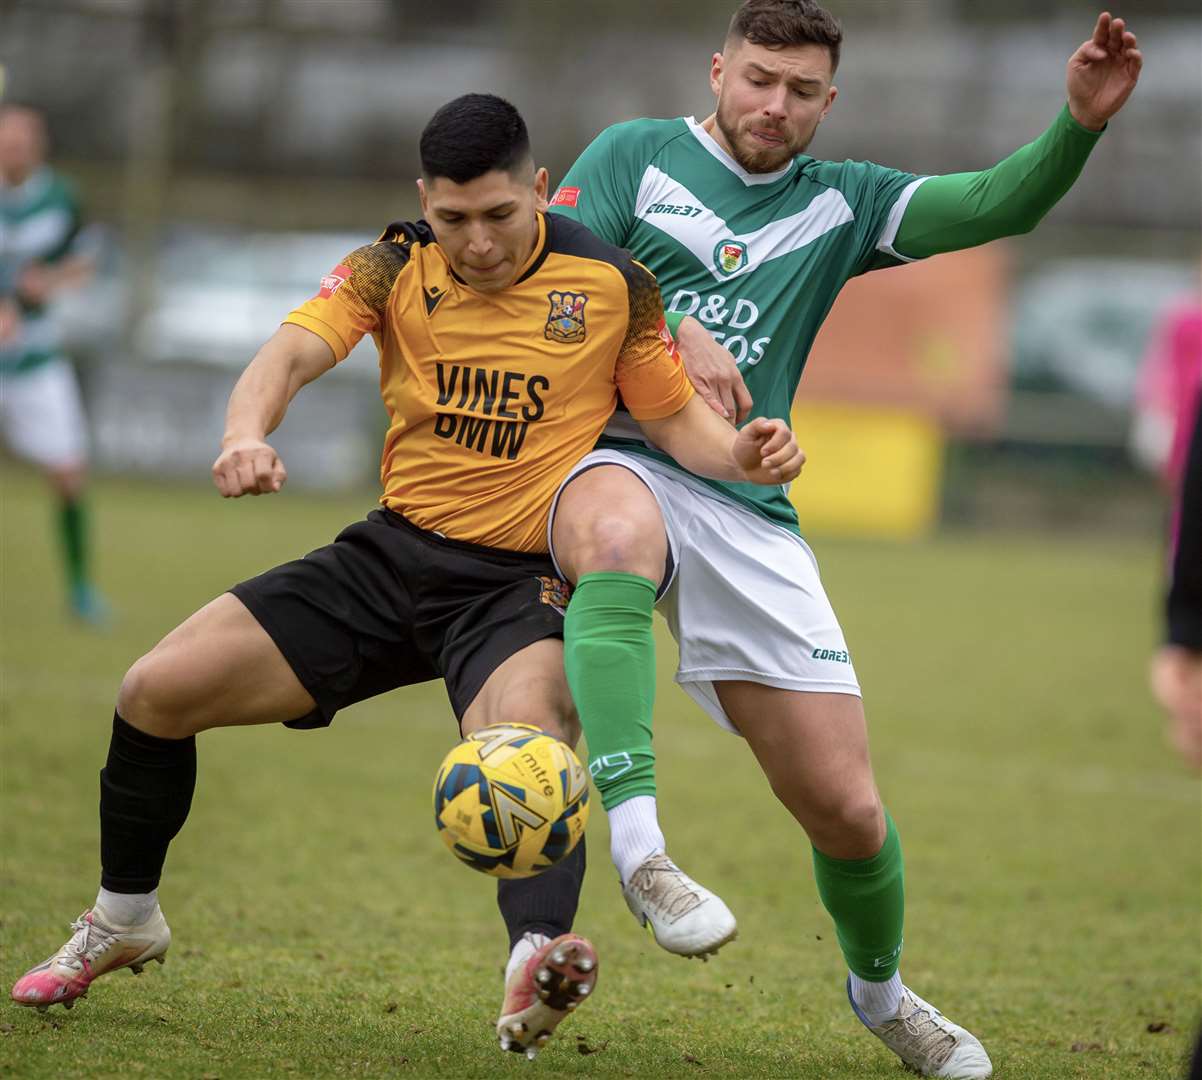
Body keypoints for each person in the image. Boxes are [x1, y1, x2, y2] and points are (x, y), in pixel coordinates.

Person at [9, 93, 802, 1060]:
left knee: (530, 750)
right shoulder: (392, 262)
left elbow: (679, 425)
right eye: (452, 218)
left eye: (500, 216)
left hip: (517, 582)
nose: (475, 242)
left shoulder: (611, 282)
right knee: (152, 692)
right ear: (424, 200)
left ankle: (537, 960)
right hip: (391, 555)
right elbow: (291, 350)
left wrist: (746, 456)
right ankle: (124, 916)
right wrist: (243, 433)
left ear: (541, 191)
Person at [545, 4, 1141, 1076]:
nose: (774, 105)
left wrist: (1075, 127)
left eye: (801, 90)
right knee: (616, 532)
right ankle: (641, 853)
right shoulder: (632, 155)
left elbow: (996, 203)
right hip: (613, 455)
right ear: (719, 70)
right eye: (759, 79)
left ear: (829, 100)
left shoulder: (845, 202)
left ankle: (881, 997)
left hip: (745, 497)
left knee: (847, 809)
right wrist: (668, 324)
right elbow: (550, 261)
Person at [0, 103, 109, 623]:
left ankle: (81, 589)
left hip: (34, 360)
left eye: (21, 142)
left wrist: (48, 285)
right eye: (5, 141)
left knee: (68, 474)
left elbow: (83, 264)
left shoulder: (61, 198)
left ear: (38, 146)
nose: (12, 150)